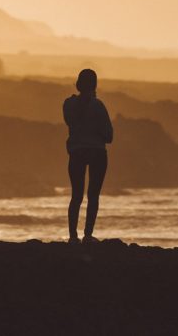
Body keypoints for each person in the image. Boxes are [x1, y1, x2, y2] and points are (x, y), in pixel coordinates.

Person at [63, 68, 113, 243]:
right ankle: (88, 235)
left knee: (76, 195)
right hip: (97, 152)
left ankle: (72, 236)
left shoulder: (68, 105)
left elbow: (70, 122)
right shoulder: (98, 106)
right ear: (94, 85)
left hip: (76, 152)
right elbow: (109, 136)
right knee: (93, 195)